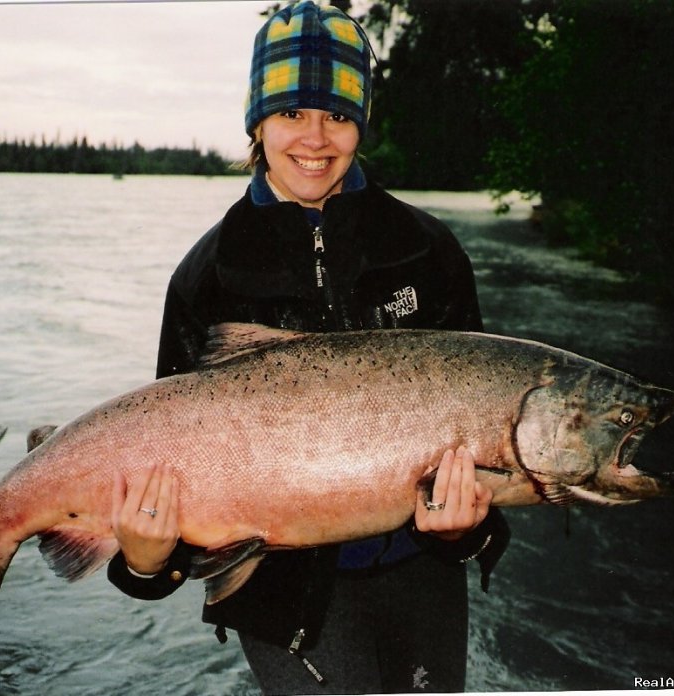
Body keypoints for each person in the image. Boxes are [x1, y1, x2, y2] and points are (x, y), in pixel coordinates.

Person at [106, 2, 510, 693]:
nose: (315, 139)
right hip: (279, 600)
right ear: (256, 122)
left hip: (423, 579)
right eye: (292, 113)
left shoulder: (429, 252)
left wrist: (466, 533)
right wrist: (147, 564)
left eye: (339, 116)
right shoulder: (206, 276)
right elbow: (166, 463)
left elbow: (489, 449)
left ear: (362, 123)